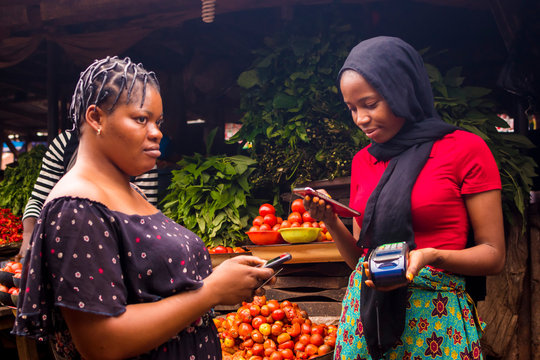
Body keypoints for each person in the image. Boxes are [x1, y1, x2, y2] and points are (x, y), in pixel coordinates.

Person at [12, 56, 274, 360]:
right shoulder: (76, 209)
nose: (157, 133)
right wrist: (211, 292)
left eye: (158, 122)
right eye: (141, 119)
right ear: (96, 118)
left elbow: (150, 283)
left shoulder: (128, 189)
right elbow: (101, 343)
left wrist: (227, 278)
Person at [302, 36, 505, 360]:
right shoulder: (363, 161)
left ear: (402, 90)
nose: (360, 119)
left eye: (370, 104)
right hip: (365, 321)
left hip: (436, 322)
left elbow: (494, 255)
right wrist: (330, 220)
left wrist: (431, 256)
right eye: (352, 108)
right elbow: (361, 260)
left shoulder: (464, 149)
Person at [16, 129, 159, 262]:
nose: (156, 132)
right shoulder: (66, 143)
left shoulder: (144, 151)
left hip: (121, 253)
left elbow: (146, 222)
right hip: (63, 249)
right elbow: (38, 200)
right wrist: (29, 235)